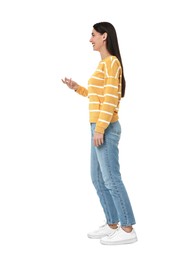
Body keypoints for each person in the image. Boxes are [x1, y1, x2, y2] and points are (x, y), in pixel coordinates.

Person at [61, 22, 137, 245]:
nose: (90, 39)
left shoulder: (112, 63)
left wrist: (101, 129)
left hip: (105, 128)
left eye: (93, 35)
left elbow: (112, 99)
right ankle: (112, 222)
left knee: (111, 179)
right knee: (97, 178)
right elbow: (97, 96)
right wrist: (77, 88)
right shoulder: (103, 65)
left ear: (104, 36)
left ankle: (127, 227)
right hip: (97, 127)